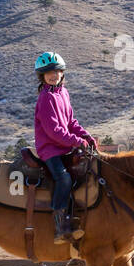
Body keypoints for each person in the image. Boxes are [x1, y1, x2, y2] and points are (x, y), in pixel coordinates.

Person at [33, 52, 100, 243]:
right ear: (42, 76)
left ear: (62, 72)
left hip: (64, 147)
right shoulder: (46, 98)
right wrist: (76, 141)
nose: (53, 75)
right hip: (51, 150)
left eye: (56, 71)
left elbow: (71, 121)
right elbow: (54, 131)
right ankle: (60, 225)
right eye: (48, 73)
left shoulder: (63, 93)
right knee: (63, 179)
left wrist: (85, 135)